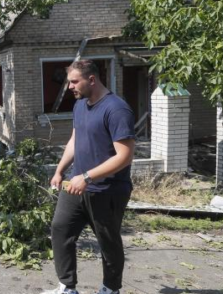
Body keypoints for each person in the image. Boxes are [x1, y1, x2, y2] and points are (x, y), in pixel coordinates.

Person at [44, 60, 135, 294]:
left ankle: (110, 288)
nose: (70, 87)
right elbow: (75, 141)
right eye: (69, 82)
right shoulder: (80, 105)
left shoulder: (116, 109)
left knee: (108, 242)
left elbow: (124, 156)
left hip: (107, 190)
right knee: (60, 229)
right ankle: (67, 287)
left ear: (91, 79)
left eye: (74, 82)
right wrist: (60, 169)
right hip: (76, 185)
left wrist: (87, 177)